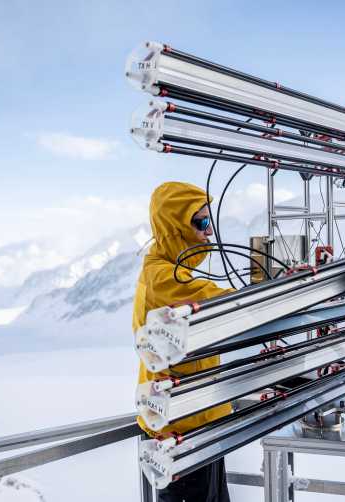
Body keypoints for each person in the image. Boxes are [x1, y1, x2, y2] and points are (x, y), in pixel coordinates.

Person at [133, 181, 233, 502]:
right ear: (176, 226)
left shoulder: (172, 271)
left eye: (210, 221)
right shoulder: (164, 277)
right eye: (201, 222)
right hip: (181, 429)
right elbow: (222, 303)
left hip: (197, 421)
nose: (209, 232)